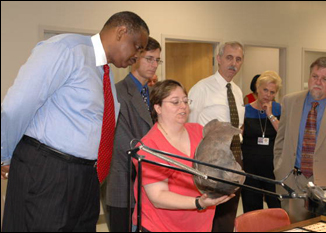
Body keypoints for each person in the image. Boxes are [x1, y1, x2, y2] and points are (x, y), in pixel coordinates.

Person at [1, 11, 149, 232]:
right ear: (121, 32)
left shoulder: (105, 73)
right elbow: (17, 104)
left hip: (86, 177)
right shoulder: (66, 49)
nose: (137, 56)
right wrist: (4, 154)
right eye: (137, 47)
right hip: (49, 170)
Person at [132, 80, 235, 232]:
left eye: (186, 101)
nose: (183, 106)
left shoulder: (199, 132)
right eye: (175, 102)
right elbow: (158, 196)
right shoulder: (149, 146)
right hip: (161, 226)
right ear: (158, 107)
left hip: (199, 225)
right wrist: (199, 203)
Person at [274, 57, 326, 223]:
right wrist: (279, 168)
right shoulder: (290, 101)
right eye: (315, 77)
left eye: (324, 79)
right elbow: (280, 140)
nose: (318, 82)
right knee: (294, 226)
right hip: (293, 180)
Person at [104, 37, 162, 232]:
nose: (154, 65)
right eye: (149, 58)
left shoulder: (154, 94)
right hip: (125, 183)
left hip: (153, 184)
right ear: (134, 57)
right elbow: (124, 141)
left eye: (157, 60)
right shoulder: (118, 92)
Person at [189, 41, 245, 232]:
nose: (234, 63)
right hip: (211, 162)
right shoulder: (202, 88)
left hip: (235, 158)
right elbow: (192, 126)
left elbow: (237, 125)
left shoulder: (237, 91)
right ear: (219, 59)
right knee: (211, 215)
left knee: (228, 215)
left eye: (238, 59)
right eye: (229, 57)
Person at [241, 71, 282, 213]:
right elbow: (239, 135)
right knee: (252, 208)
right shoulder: (245, 110)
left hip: (273, 167)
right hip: (250, 167)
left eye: (272, 92)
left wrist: (270, 114)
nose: (268, 95)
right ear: (257, 88)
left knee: (276, 207)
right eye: (265, 90)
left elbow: (283, 134)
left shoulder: (279, 109)